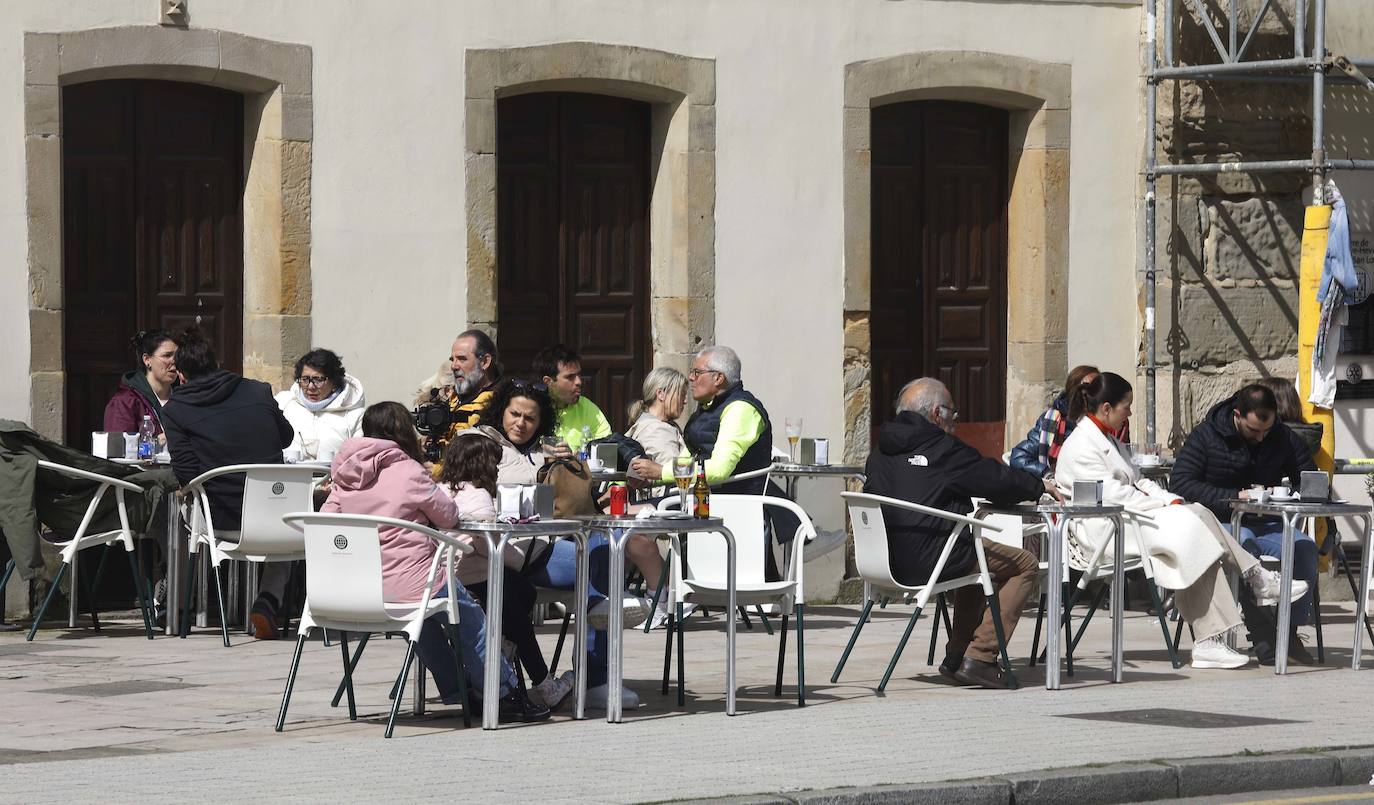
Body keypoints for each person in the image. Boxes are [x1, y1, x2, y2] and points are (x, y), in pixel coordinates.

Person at [1053, 373, 1306, 670]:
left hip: (1130, 518)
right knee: (1194, 523)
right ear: (1106, 408)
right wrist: (1165, 502)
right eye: (1127, 406)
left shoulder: (1107, 438)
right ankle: (1252, 583)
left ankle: (1213, 636)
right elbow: (1114, 494)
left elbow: (1138, 482)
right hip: (1105, 529)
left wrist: (1165, 498)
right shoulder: (1082, 444)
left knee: (1196, 523)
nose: (1130, 412)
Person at [321, 402, 548, 722]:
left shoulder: (343, 474)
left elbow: (327, 521)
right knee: (472, 622)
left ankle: (458, 688)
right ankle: (504, 693)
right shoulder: (407, 470)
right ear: (404, 431)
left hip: (361, 589)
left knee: (419, 623)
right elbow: (449, 515)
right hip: (415, 581)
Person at [864, 377, 1051, 689]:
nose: (955, 421)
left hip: (885, 561)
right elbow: (995, 479)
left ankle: (957, 657)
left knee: (977, 559)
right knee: (1024, 564)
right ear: (938, 413)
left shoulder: (879, 451)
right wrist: (1038, 485)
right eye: (953, 414)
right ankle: (981, 656)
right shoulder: (941, 449)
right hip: (931, 559)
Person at [629, 346, 830, 563]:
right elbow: (688, 458)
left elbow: (718, 470)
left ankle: (659, 591)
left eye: (697, 373)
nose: (690, 378)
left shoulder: (740, 409)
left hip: (727, 505)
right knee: (622, 512)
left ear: (718, 378)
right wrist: (652, 476)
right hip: (702, 500)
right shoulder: (706, 411)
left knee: (628, 516)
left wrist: (661, 471)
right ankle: (660, 589)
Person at [159, 328, 297, 639]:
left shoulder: (177, 410)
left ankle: (178, 605)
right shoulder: (258, 391)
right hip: (274, 519)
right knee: (286, 521)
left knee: (179, 511)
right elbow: (285, 437)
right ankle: (268, 600)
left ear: (180, 374)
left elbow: (187, 472)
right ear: (216, 363)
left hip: (221, 519)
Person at [1170, 383, 1320, 664]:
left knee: (1305, 549)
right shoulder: (1207, 436)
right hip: (1221, 522)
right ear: (1237, 415)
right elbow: (1181, 483)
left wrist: (1304, 493)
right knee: (1245, 543)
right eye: (1254, 431)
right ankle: (1263, 635)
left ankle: (1288, 632)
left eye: (1267, 431)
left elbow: (1308, 474)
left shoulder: (1281, 436)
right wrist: (1233, 497)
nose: (1261, 438)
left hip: (1266, 521)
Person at [437, 433, 573, 711]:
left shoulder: (439, 489)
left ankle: (505, 645)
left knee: (523, 590)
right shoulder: (479, 496)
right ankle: (543, 682)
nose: (497, 470)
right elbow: (492, 549)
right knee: (514, 606)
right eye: (495, 465)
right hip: (475, 580)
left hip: (444, 579)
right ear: (483, 466)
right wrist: (519, 549)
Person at [1009, 364, 1129, 478]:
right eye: (1089, 388)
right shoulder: (1053, 420)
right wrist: (1047, 474)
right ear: (1075, 391)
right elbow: (1019, 457)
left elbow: (1126, 461)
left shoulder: (1113, 422)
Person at [275, 348, 365, 462]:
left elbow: (359, 459)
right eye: (305, 379)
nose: (311, 387)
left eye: (318, 379)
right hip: (288, 477)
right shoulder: (283, 404)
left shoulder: (355, 415)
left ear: (334, 382)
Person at [429, 330, 503, 463]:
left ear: (485, 362)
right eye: (453, 359)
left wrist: (437, 471)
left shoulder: (499, 403)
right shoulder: (455, 398)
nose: (453, 366)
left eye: (462, 359)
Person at [533, 344, 611, 454]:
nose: (579, 382)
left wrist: (576, 458)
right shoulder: (533, 410)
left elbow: (607, 451)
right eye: (570, 377)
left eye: (579, 375)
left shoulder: (588, 408)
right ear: (548, 381)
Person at [104, 329, 178, 437]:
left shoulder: (185, 396)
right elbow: (119, 449)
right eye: (167, 356)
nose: (174, 361)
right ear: (147, 360)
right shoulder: (125, 402)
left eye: (177, 356)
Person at [625, 367, 688, 466]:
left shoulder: (644, 424)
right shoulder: (658, 430)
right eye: (682, 395)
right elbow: (672, 473)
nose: (685, 401)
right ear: (661, 394)